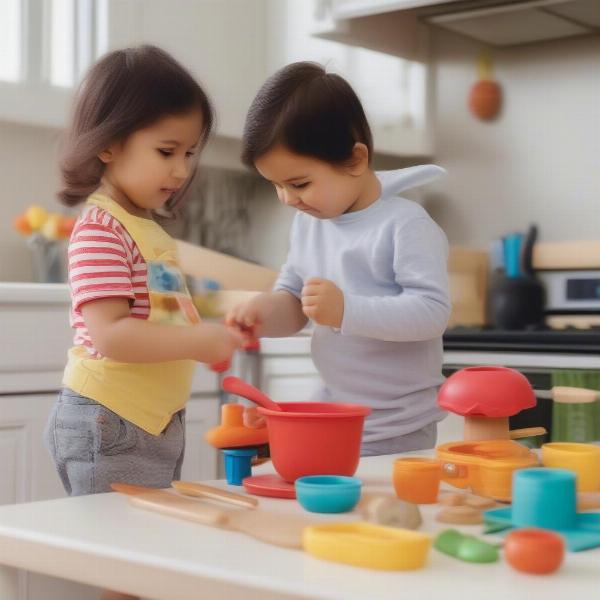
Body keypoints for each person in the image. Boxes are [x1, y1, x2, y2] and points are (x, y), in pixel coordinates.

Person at [44, 45, 243, 600]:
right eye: (166, 151)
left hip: (146, 423)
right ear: (107, 143)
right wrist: (200, 339)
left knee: (142, 568)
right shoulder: (101, 229)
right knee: (125, 573)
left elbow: (160, 310)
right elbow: (111, 335)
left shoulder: (144, 230)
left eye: (189, 153)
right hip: (108, 425)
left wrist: (220, 320)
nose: (180, 170)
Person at [227, 62, 451, 456]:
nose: (287, 199)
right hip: (332, 413)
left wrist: (347, 310)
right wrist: (264, 312)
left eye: (299, 183)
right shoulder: (308, 224)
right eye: (276, 185)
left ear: (355, 160)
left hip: (395, 427)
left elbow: (432, 312)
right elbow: (295, 303)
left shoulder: (405, 224)